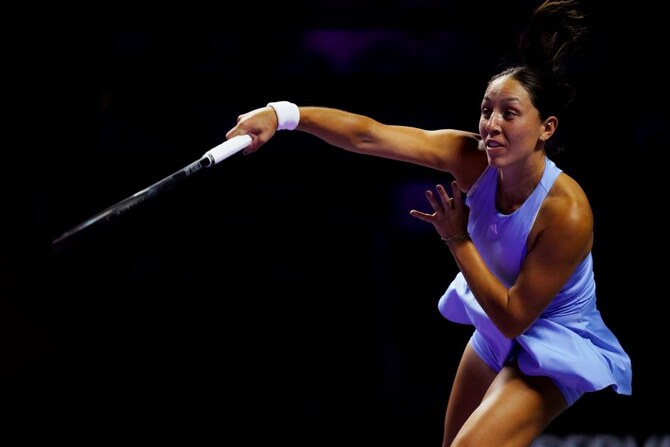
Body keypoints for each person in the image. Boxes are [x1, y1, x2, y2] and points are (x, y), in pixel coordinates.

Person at [225, 1, 632, 445]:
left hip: (555, 338)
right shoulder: (470, 157)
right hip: (495, 327)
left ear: (546, 128)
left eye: (510, 113)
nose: (491, 125)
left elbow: (514, 317)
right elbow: (369, 135)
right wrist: (283, 114)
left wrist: (457, 238)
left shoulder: (566, 211)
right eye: (486, 110)